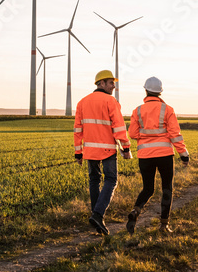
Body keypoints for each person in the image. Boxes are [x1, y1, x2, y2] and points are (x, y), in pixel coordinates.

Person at [126, 76, 189, 234]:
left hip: (145, 155)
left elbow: (132, 133)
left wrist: (145, 134)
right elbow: (175, 134)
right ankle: (164, 225)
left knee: (148, 188)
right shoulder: (167, 110)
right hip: (165, 155)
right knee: (167, 188)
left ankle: (135, 211)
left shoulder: (137, 110)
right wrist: (183, 154)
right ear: (160, 92)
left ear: (146, 90)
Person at [74, 69, 132, 235]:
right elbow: (119, 126)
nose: (114, 86)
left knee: (94, 180)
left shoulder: (82, 102)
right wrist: (126, 147)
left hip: (90, 150)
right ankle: (98, 215)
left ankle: (96, 217)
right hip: (107, 150)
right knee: (111, 179)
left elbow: (77, 130)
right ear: (101, 83)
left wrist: (78, 152)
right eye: (110, 82)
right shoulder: (110, 101)